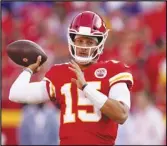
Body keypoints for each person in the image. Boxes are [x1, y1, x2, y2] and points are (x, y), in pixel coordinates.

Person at [9, 11, 133, 145]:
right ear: (71, 40)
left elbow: (121, 115)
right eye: (80, 40)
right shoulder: (60, 72)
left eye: (89, 41)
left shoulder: (113, 70)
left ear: (100, 43)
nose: (83, 47)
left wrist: (86, 88)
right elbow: (15, 94)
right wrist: (28, 70)